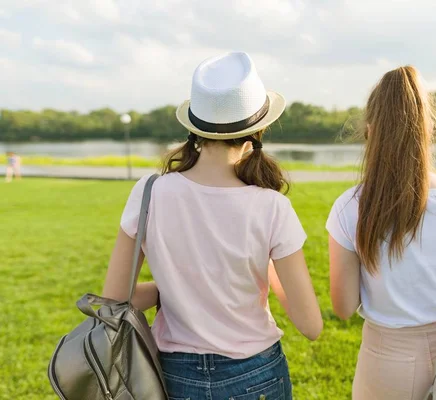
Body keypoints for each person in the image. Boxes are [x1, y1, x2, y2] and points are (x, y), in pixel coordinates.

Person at [102, 52, 322, 400]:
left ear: (194, 128)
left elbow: (114, 299)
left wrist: (173, 289)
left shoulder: (149, 192)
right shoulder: (272, 207)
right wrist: (262, 272)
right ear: (257, 131)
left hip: (173, 377)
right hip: (257, 375)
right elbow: (311, 326)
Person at [326, 66, 436, 400]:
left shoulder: (350, 207)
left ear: (370, 131)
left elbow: (345, 306)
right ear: (431, 128)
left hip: (386, 361)